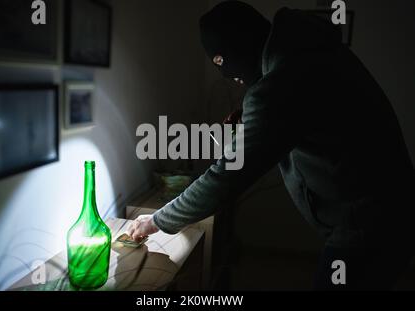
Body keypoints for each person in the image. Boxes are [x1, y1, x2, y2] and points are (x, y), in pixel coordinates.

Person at [128, 1, 415, 290]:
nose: (237, 83)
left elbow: (225, 178)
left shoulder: (280, 87)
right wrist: (251, 109)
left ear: (237, 54)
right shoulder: (307, 49)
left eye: (231, 72)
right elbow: (291, 98)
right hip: (395, 208)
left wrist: (156, 221)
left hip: (369, 227)